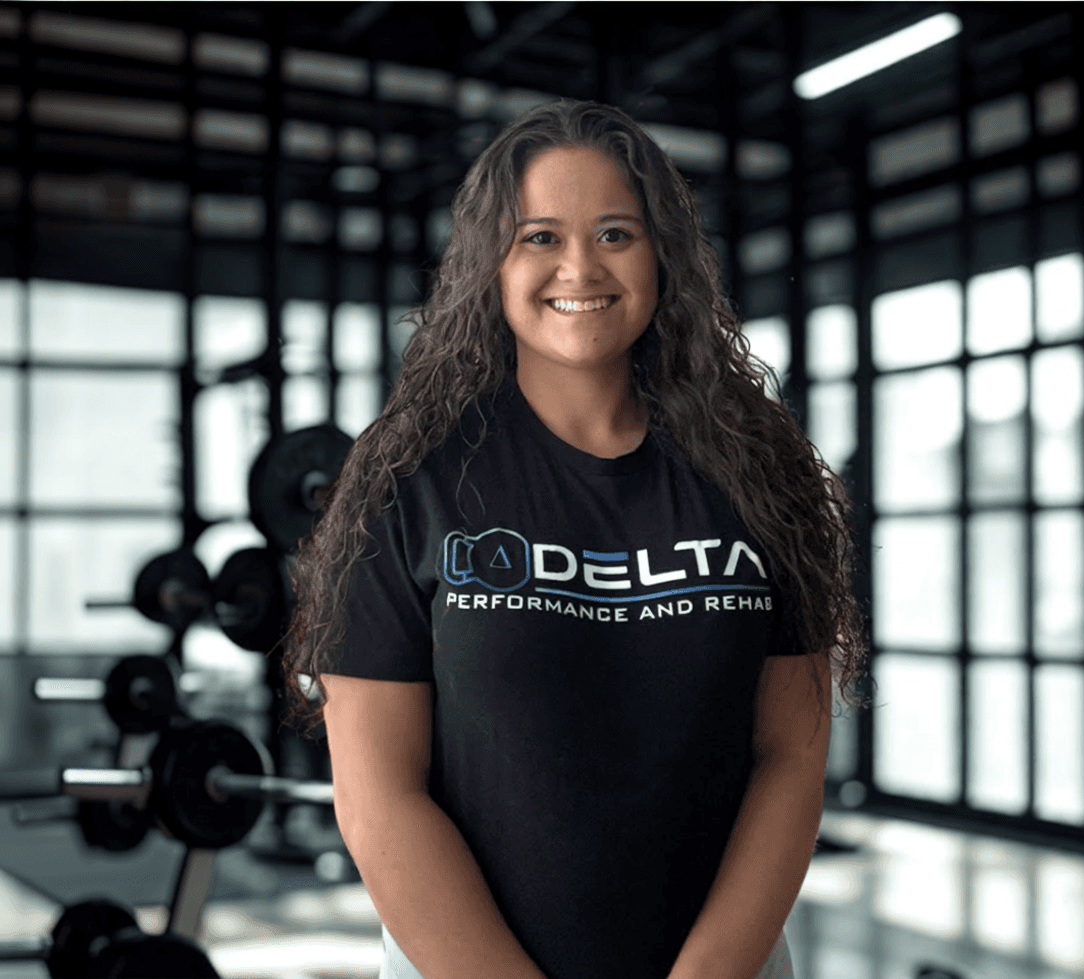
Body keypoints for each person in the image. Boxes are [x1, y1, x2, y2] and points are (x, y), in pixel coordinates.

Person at [283, 99, 868, 979]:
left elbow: (788, 757)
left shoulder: (760, 476)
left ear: (663, 255)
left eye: (617, 234)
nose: (580, 266)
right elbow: (377, 798)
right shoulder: (408, 482)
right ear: (492, 261)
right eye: (541, 237)